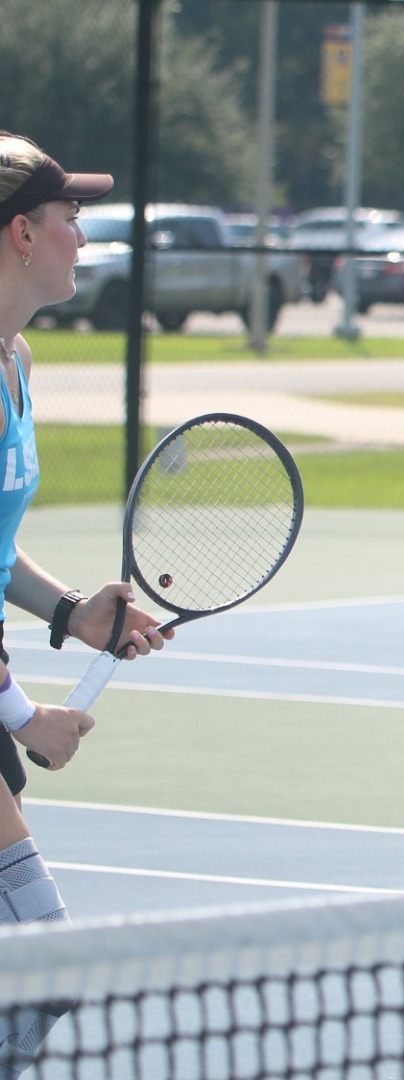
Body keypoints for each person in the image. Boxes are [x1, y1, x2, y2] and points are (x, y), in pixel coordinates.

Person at [0, 132, 172, 1075]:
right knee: (44, 968)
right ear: (23, 232)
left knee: (35, 979)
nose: (81, 233)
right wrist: (29, 718)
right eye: (71, 217)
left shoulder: (15, 363)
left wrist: (70, 612)